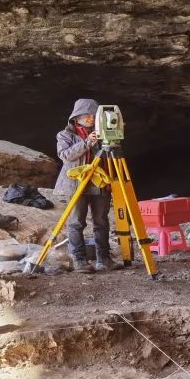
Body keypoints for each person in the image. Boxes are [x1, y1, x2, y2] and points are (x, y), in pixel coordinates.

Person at [54, 99, 121, 273]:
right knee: (76, 222)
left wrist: (114, 132)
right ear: (77, 118)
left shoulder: (102, 133)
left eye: (94, 115)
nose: (92, 119)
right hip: (77, 185)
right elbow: (65, 155)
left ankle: (104, 259)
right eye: (88, 115)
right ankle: (79, 260)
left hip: (99, 183)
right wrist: (86, 143)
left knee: (101, 221)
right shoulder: (64, 135)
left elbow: (110, 156)